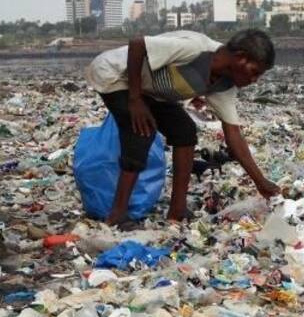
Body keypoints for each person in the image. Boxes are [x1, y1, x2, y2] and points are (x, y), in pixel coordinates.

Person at [85, 29, 280, 225]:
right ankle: (117, 214)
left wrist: (260, 182)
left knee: (185, 131)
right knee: (141, 130)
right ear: (240, 58)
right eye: (255, 72)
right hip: (114, 75)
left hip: (148, 91)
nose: (255, 80)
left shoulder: (224, 85)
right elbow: (138, 45)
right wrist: (135, 99)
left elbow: (233, 135)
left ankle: (177, 209)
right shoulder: (195, 49)